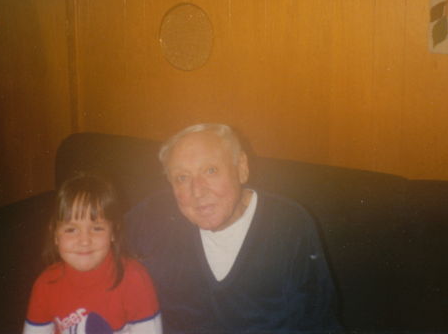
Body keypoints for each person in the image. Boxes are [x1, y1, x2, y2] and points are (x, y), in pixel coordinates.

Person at [125, 123, 342, 333]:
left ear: (241, 169)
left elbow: (318, 322)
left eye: (210, 171)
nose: (197, 191)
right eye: (182, 178)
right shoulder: (153, 215)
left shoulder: (288, 224)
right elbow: (100, 259)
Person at [23, 174, 162, 334]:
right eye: (71, 230)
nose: (84, 241)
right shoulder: (45, 285)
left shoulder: (135, 280)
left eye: (97, 228)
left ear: (113, 233)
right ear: (55, 235)